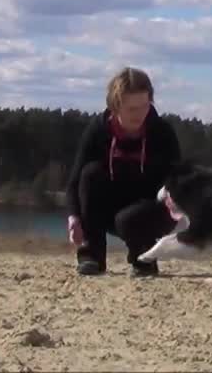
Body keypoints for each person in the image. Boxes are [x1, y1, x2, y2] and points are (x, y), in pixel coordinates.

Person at [64, 66, 181, 277]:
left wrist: (175, 197)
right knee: (90, 173)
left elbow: (180, 178)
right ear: (116, 106)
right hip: (111, 209)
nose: (140, 114)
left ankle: (144, 261)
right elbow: (75, 180)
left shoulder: (162, 132)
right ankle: (92, 257)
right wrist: (73, 217)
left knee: (128, 218)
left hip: (151, 210)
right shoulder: (98, 130)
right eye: (132, 109)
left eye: (145, 106)